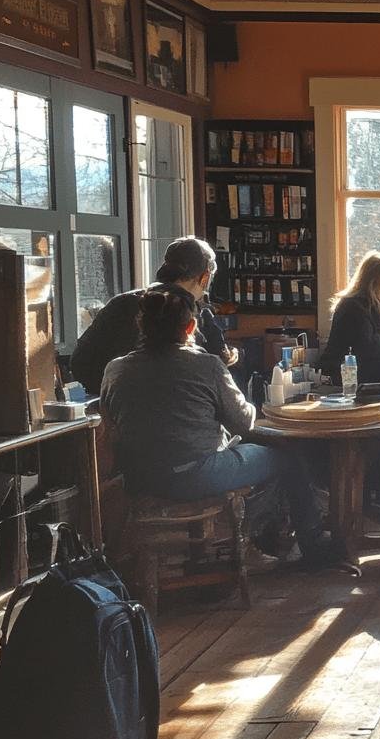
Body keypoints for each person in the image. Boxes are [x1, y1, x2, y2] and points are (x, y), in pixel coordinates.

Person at [99, 288, 335, 567]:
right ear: (190, 327)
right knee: (288, 458)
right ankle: (312, 546)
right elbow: (244, 423)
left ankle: (261, 534)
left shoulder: (115, 370)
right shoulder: (205, 365)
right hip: (194, 473)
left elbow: (110, 423)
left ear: (142, 326)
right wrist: (251, 404)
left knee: (258, 460)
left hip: (139, 478)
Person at [71, 236, 238, 395]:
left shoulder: (121, 303)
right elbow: (215, 366)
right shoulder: (194, 315)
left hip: (115, 408)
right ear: (205, 277)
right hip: (172, 409)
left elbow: (79, 361)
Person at [320, 252, 380, 386]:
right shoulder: (354, 307)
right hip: (345, 379)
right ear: (373, 281)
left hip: (355, 376)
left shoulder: (371, 305)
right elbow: (370, 346)